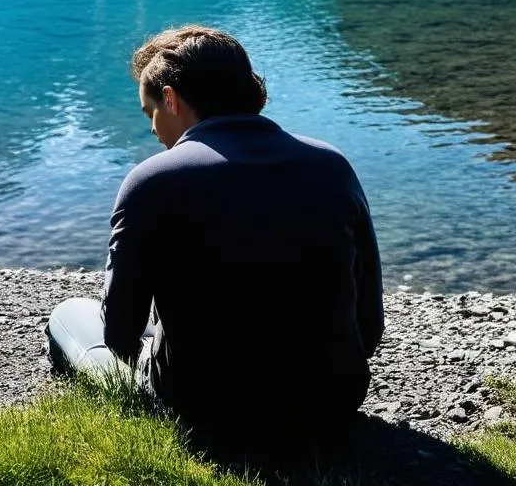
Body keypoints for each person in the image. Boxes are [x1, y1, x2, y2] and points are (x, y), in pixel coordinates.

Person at [46, 25, 383, 443]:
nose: (153, 129)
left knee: (68, 316)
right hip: (333, 402)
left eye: (149, 112)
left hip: (206, 413)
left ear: (169, 99)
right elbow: (368, 324)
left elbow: (119, 334)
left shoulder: (152, 181)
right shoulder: (332, 166)